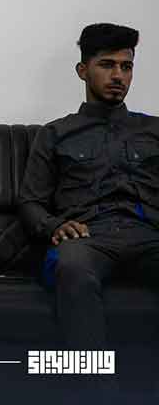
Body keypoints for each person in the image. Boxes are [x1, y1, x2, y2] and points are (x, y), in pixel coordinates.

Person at [18, 23, 159, 350]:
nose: (118, 76)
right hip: (87, 237)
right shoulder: (56, 133)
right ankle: (93, 379)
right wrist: (55, 226)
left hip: (148, 233)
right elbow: (30, 202)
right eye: (107, 65)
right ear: (83, 71)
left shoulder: (153, 130)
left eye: (126, 67)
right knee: (72, 268)